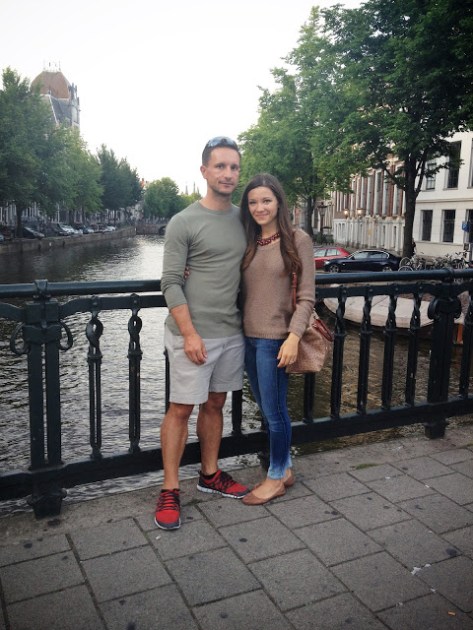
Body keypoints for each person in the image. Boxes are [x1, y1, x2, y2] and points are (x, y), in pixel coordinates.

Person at [155, 136, 249, 530]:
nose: (228, 174)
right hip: (191, 334)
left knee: (215, 404)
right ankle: (170, 488)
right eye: (220, 166)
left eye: (234, 167)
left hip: (231, 330)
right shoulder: (184, 221)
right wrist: (190, 333)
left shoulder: (246, 219)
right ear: (204, 171)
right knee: (180, 408)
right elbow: (170, 282)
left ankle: (210, 474)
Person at [239, 173, 315, 505]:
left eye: (266, 200)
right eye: (253, 202)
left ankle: (275, 477)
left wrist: (293, 337)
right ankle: (284, 469)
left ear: (279, 202)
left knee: (275, 412)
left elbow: (307, 297)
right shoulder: (249, 240)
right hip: (248, 338)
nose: (260, 207)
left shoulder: (298, 239)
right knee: (267, 408)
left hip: (274, 340)